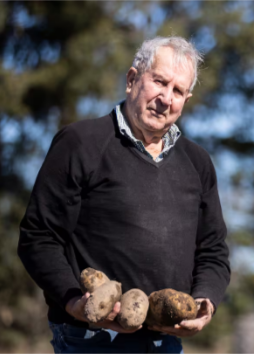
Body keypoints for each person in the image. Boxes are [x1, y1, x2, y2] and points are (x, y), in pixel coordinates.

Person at [17, 36, 231, 353]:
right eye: (160, 82)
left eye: (178, 91)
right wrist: (73, 300)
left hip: (165, 341)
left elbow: (213, 250)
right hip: (91, 338)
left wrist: (205, 302)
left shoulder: (197, 163)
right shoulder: (81, 143)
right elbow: (39, 236)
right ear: (132, 79)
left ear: (186, 100)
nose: (166, 98)